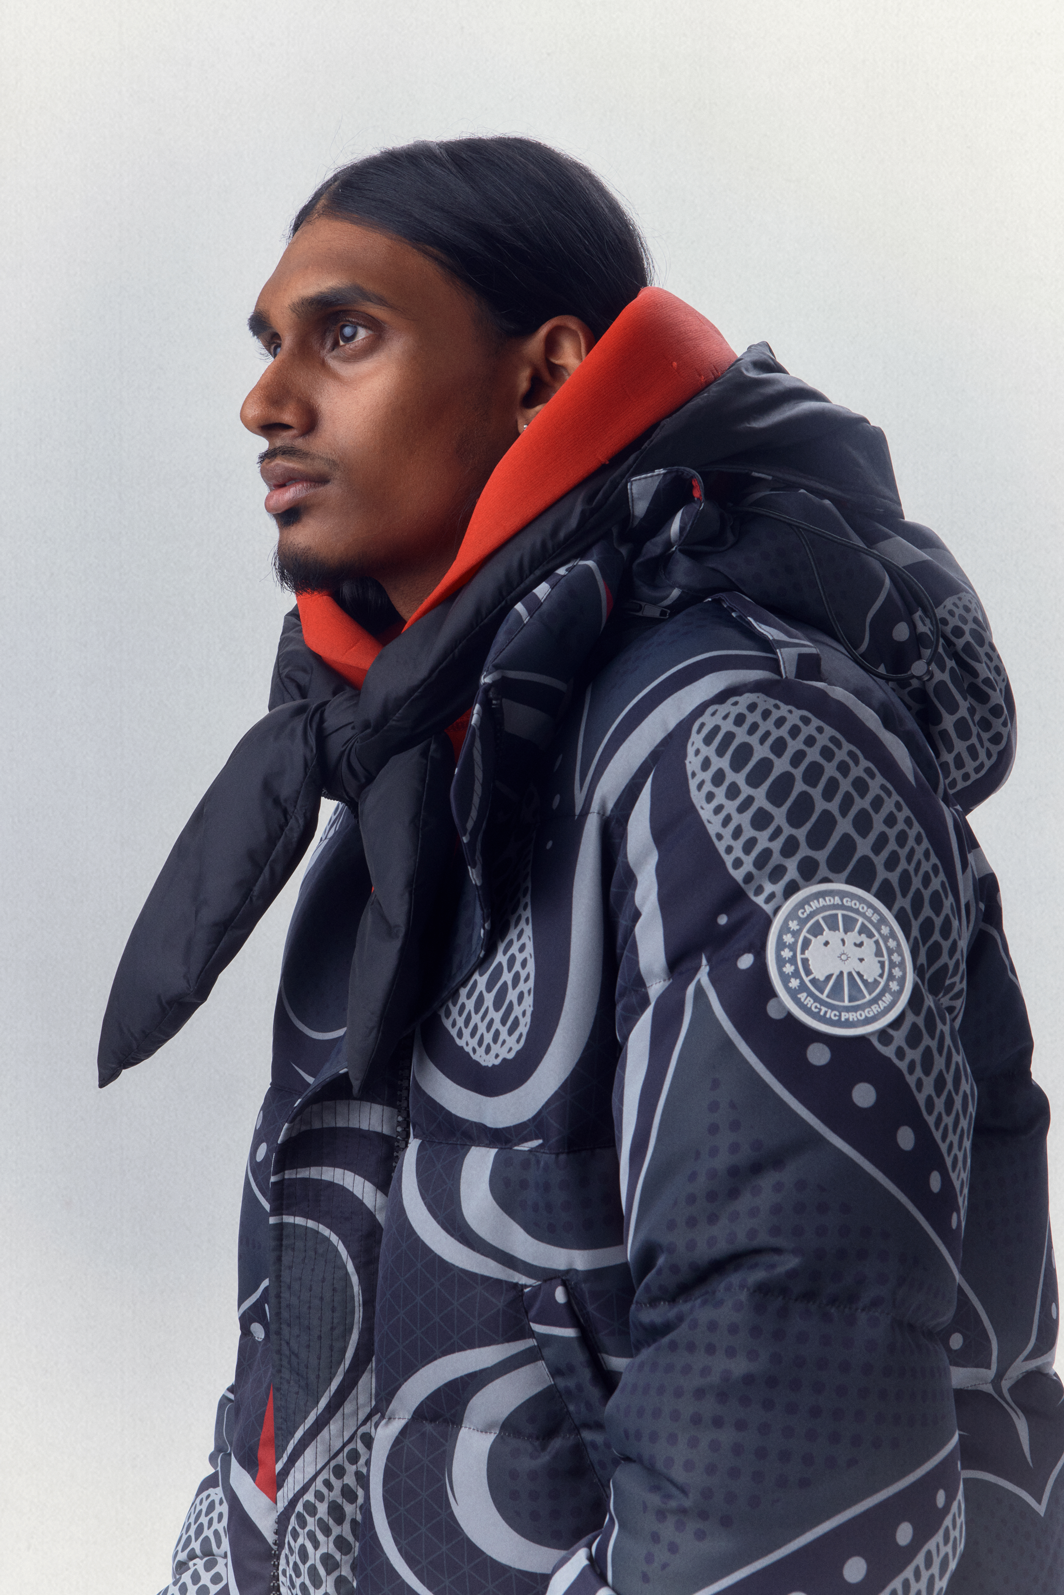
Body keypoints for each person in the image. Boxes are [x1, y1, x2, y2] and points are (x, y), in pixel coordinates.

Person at [99, 137, 1064, 1595]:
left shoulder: (746, 745)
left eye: (344, 334)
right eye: (268, 344)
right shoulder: (421, 762)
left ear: (544, 376)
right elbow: (307, 1372)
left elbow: (793, 1411)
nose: (266, 402)